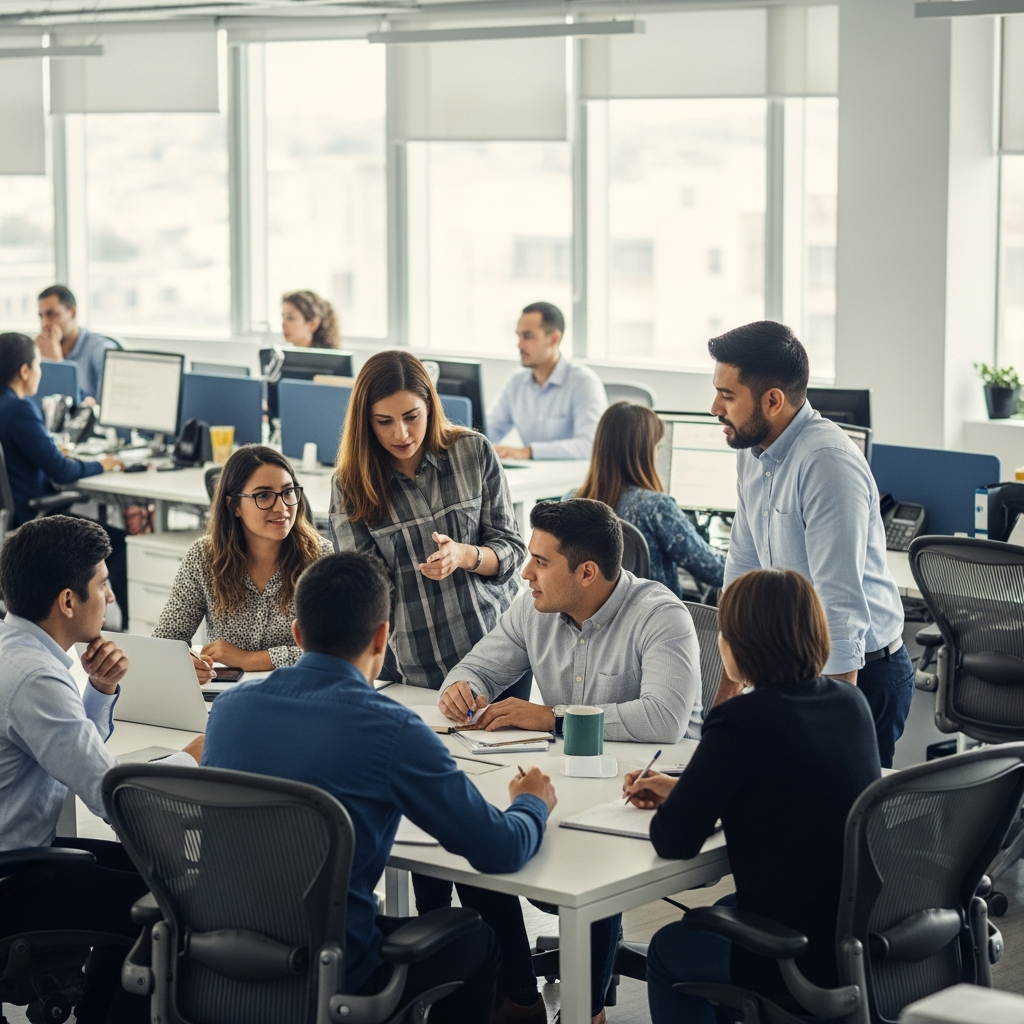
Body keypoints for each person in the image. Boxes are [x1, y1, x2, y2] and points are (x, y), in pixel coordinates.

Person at [201, 551, 557, 1024]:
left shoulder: (227, 711)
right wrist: (532, 801)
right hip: (332, 972)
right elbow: (500, 851)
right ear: (382, 637)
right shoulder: (391, 729)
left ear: (298, 635)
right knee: (476, 937)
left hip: (214, 960)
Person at [436, 498, 703, 1024]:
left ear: (586, 572)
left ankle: (587, 1014)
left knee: (588, 856)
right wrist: (461, 691)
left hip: (649, 793)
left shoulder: (659, 613)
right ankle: (519, 997)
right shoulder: (532, 609)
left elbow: (665, 720)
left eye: (540, 561)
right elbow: (472, 669)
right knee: (474, 844)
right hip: (569, 779)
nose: (525, 573)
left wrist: (549, 716)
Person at [622, 568, 881, 1024]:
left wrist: (692, 797)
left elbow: (674, 840)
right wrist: (686, 788)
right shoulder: (849, 702)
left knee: (667, 950)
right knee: (722, 911)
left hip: (798, 951)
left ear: (741, 644)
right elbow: (789, 785)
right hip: (858, 928)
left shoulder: (742, 720)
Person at [0, 516, 201, 1024]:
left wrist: (100, 689)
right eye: (103, 585)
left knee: (152, 871)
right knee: (167, 901)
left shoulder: (18, 651)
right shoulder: (36, 678)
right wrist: (196, 758)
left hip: (19, 859)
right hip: (12, 880)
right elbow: (112, 795)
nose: (110, 597)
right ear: (68, 601)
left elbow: (70, 752)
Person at [708, 321, 911, 768]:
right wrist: (724, 698)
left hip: (858, 672)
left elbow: (838, 608)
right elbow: (741, 567)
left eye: (727, 396)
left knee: (840, 824)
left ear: (773, 400)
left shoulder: (826, 464)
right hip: (793, 669)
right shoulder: (752, 453)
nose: (713, 408)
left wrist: (830, 725)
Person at [330, 349, 526, 691]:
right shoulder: (350, 485)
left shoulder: (473, 452)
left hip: (498, 656)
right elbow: (361, 591)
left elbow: (511, 550)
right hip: (413, 669)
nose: (401, 434)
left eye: (411, 416)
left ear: (430, 406)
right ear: (366, 421)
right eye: (384, 422)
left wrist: (465, 555)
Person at [154, 444, 332, 682]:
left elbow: (334, 652)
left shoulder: (320, 557)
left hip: (299, 694)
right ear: (233, 505)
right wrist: (184, 663)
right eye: (264, 495)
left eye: (288, 492)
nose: (282, 508)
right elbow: (165, 642)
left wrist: (250, 659)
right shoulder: (204, 557)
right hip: (228, 696)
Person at [0, 332, 128, 621]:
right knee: (118, 541)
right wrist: (103, 464)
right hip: (30, 519)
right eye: (38, 365)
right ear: (24, 371)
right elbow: (62, 470)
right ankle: (126, 628)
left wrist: (52, 451)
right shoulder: (18, 408)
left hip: (9, 516)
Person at [575, 401, 725, 597]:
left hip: (597, 624)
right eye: (657, 447)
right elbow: (713, 570)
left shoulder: (573, 502)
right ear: (643, 452)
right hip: (656, 622)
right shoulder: (655, 507)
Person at [487, 301, 607, 461]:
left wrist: (529, 452)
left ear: (553, 339)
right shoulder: (517, 381)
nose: (520, 345)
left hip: (571, 481)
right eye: (519, 336)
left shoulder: (583, 383)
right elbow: (489, 430)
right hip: (532, 477)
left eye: (528, 336)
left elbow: (590, 445)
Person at [35, 285, 118, 402]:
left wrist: (57, 365)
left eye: (51, 314)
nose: (44, 324)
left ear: (72, 313)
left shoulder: (100, 350)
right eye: (41, 316)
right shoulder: (41, 351)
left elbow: (106, 405)